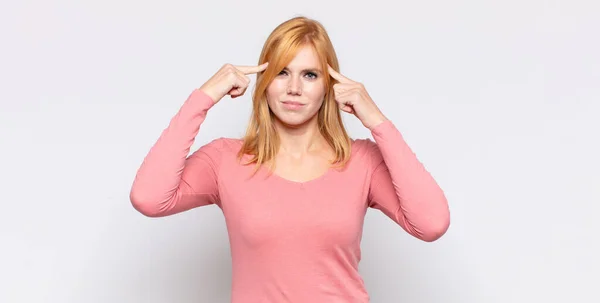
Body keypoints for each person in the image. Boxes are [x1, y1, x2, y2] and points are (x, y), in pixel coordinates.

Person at [129, 16, 450, 302]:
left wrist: (377, 120)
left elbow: (431, 223)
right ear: (264, 82)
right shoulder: (226, 159)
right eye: (282, 72)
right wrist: (205, 96)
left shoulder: (361, 160)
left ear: (330, 85)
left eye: (310, 75)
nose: (294, 88)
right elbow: (149, 198)